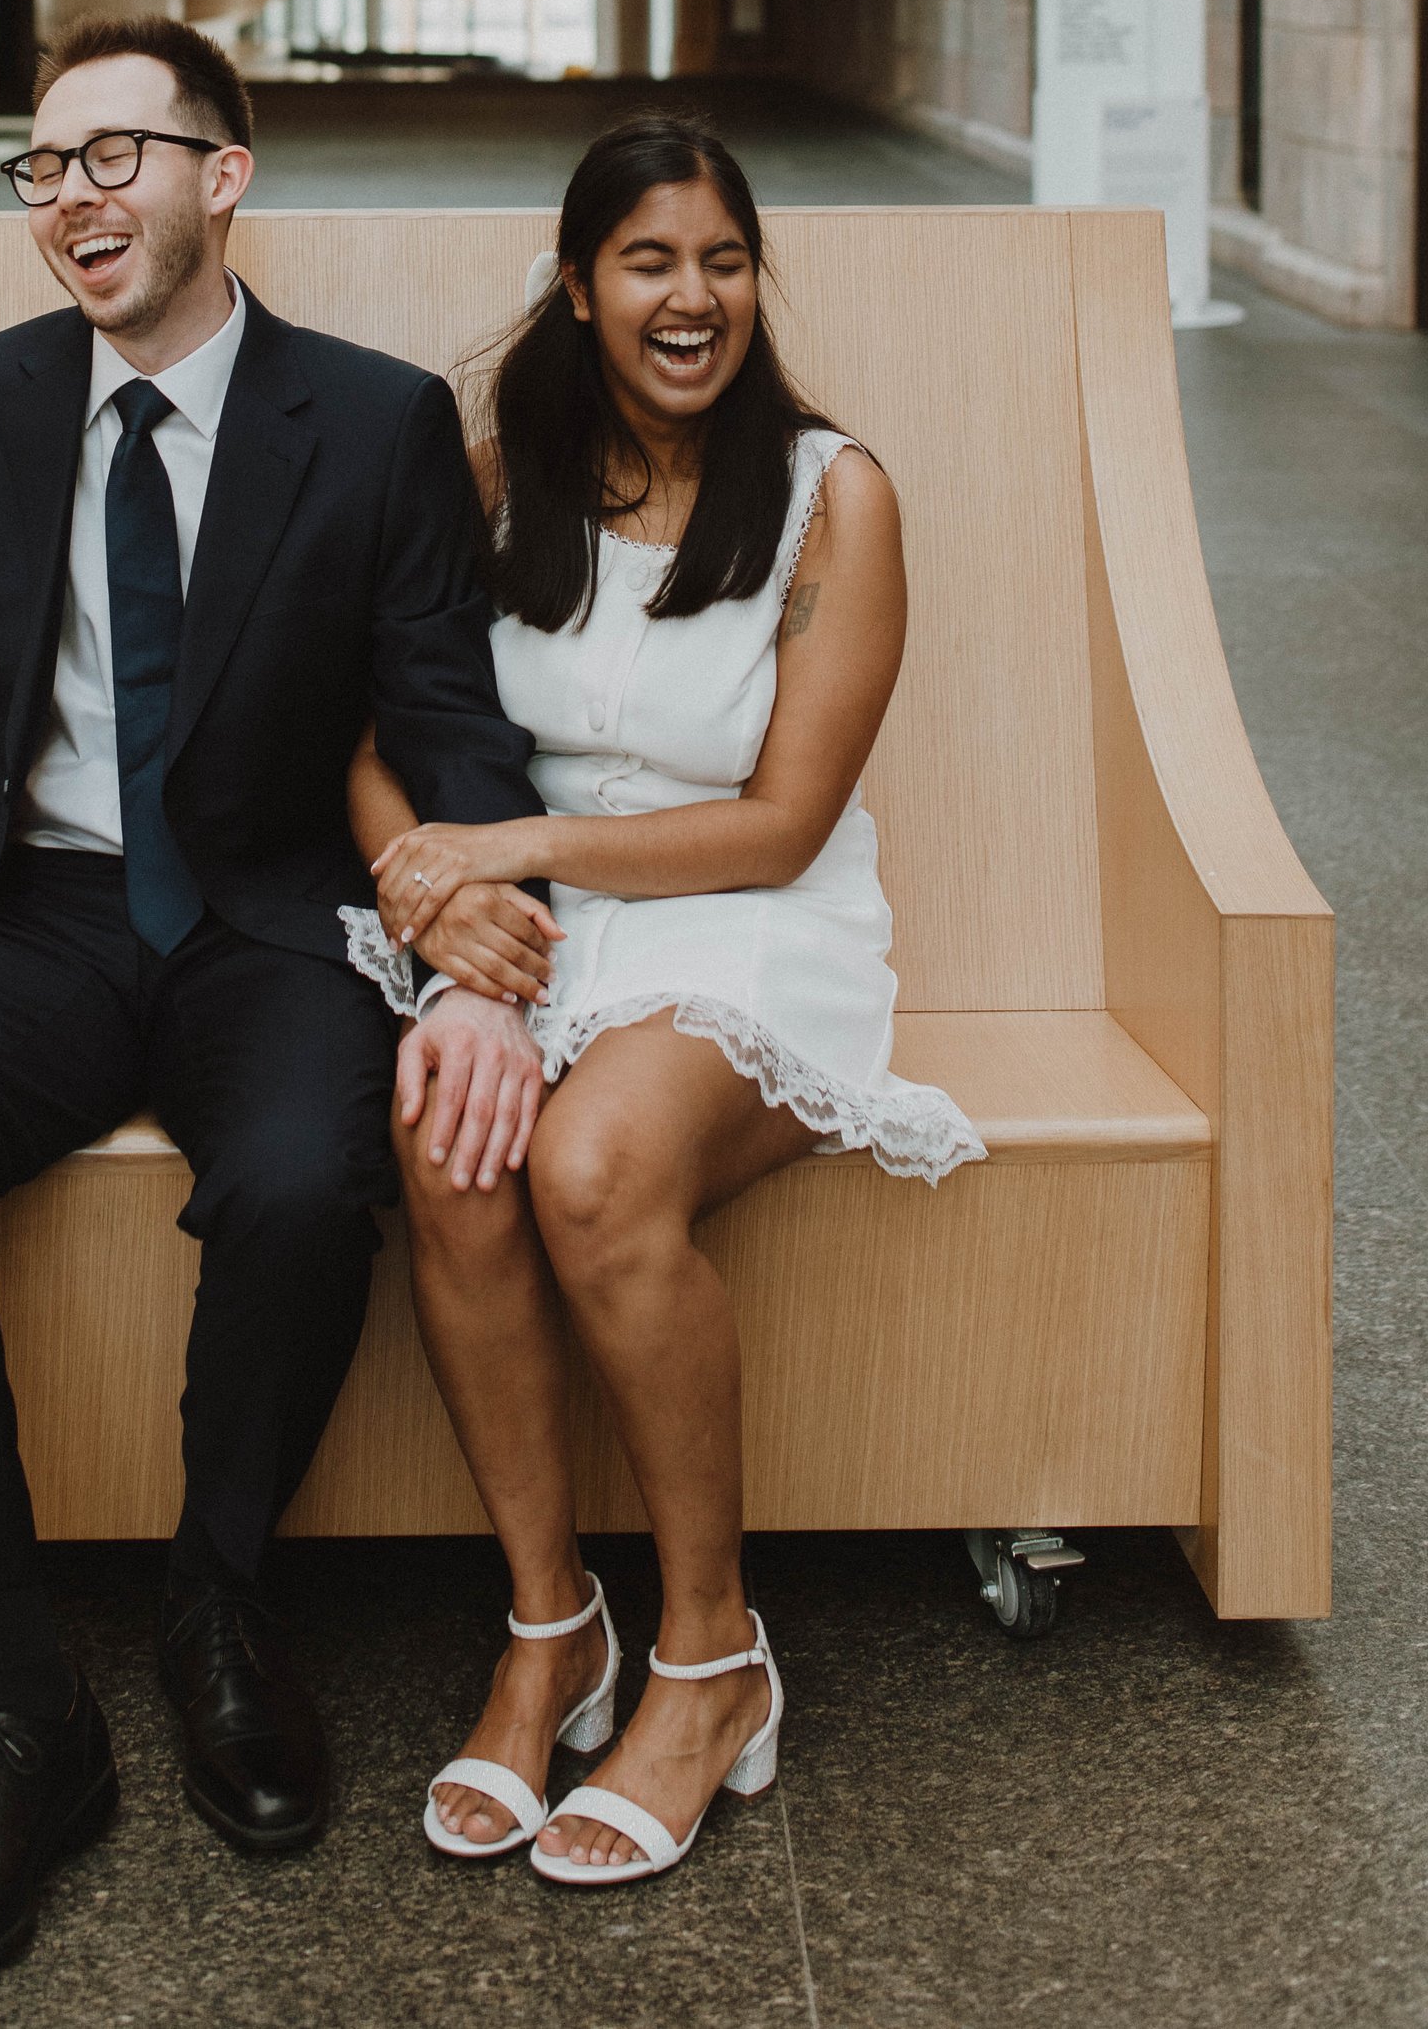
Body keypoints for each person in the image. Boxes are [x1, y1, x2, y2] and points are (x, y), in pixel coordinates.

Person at [0, 15, 544, 2015]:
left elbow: (448, 721)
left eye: (117, 153)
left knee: (300, 1171)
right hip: (32, 911)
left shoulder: (365, 425)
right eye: (42, 168)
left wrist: (480, 965)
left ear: (225, 176)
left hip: (268, 917)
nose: (74, 196)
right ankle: (25, 1712)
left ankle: (219, 1601)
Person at [344, 113, 983, 1887]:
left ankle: (711, 1653)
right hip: (537, 911)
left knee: (594, 1169)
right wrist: (430, 884)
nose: (690, 298)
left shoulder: (834, 492)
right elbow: (380, 735)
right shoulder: (496, 473)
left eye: (720, 261)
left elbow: (782, 820)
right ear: (579, 286)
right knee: (448, 1138)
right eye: (649, 262)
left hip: (752, 920)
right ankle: (554, 1627)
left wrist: (511, 845)